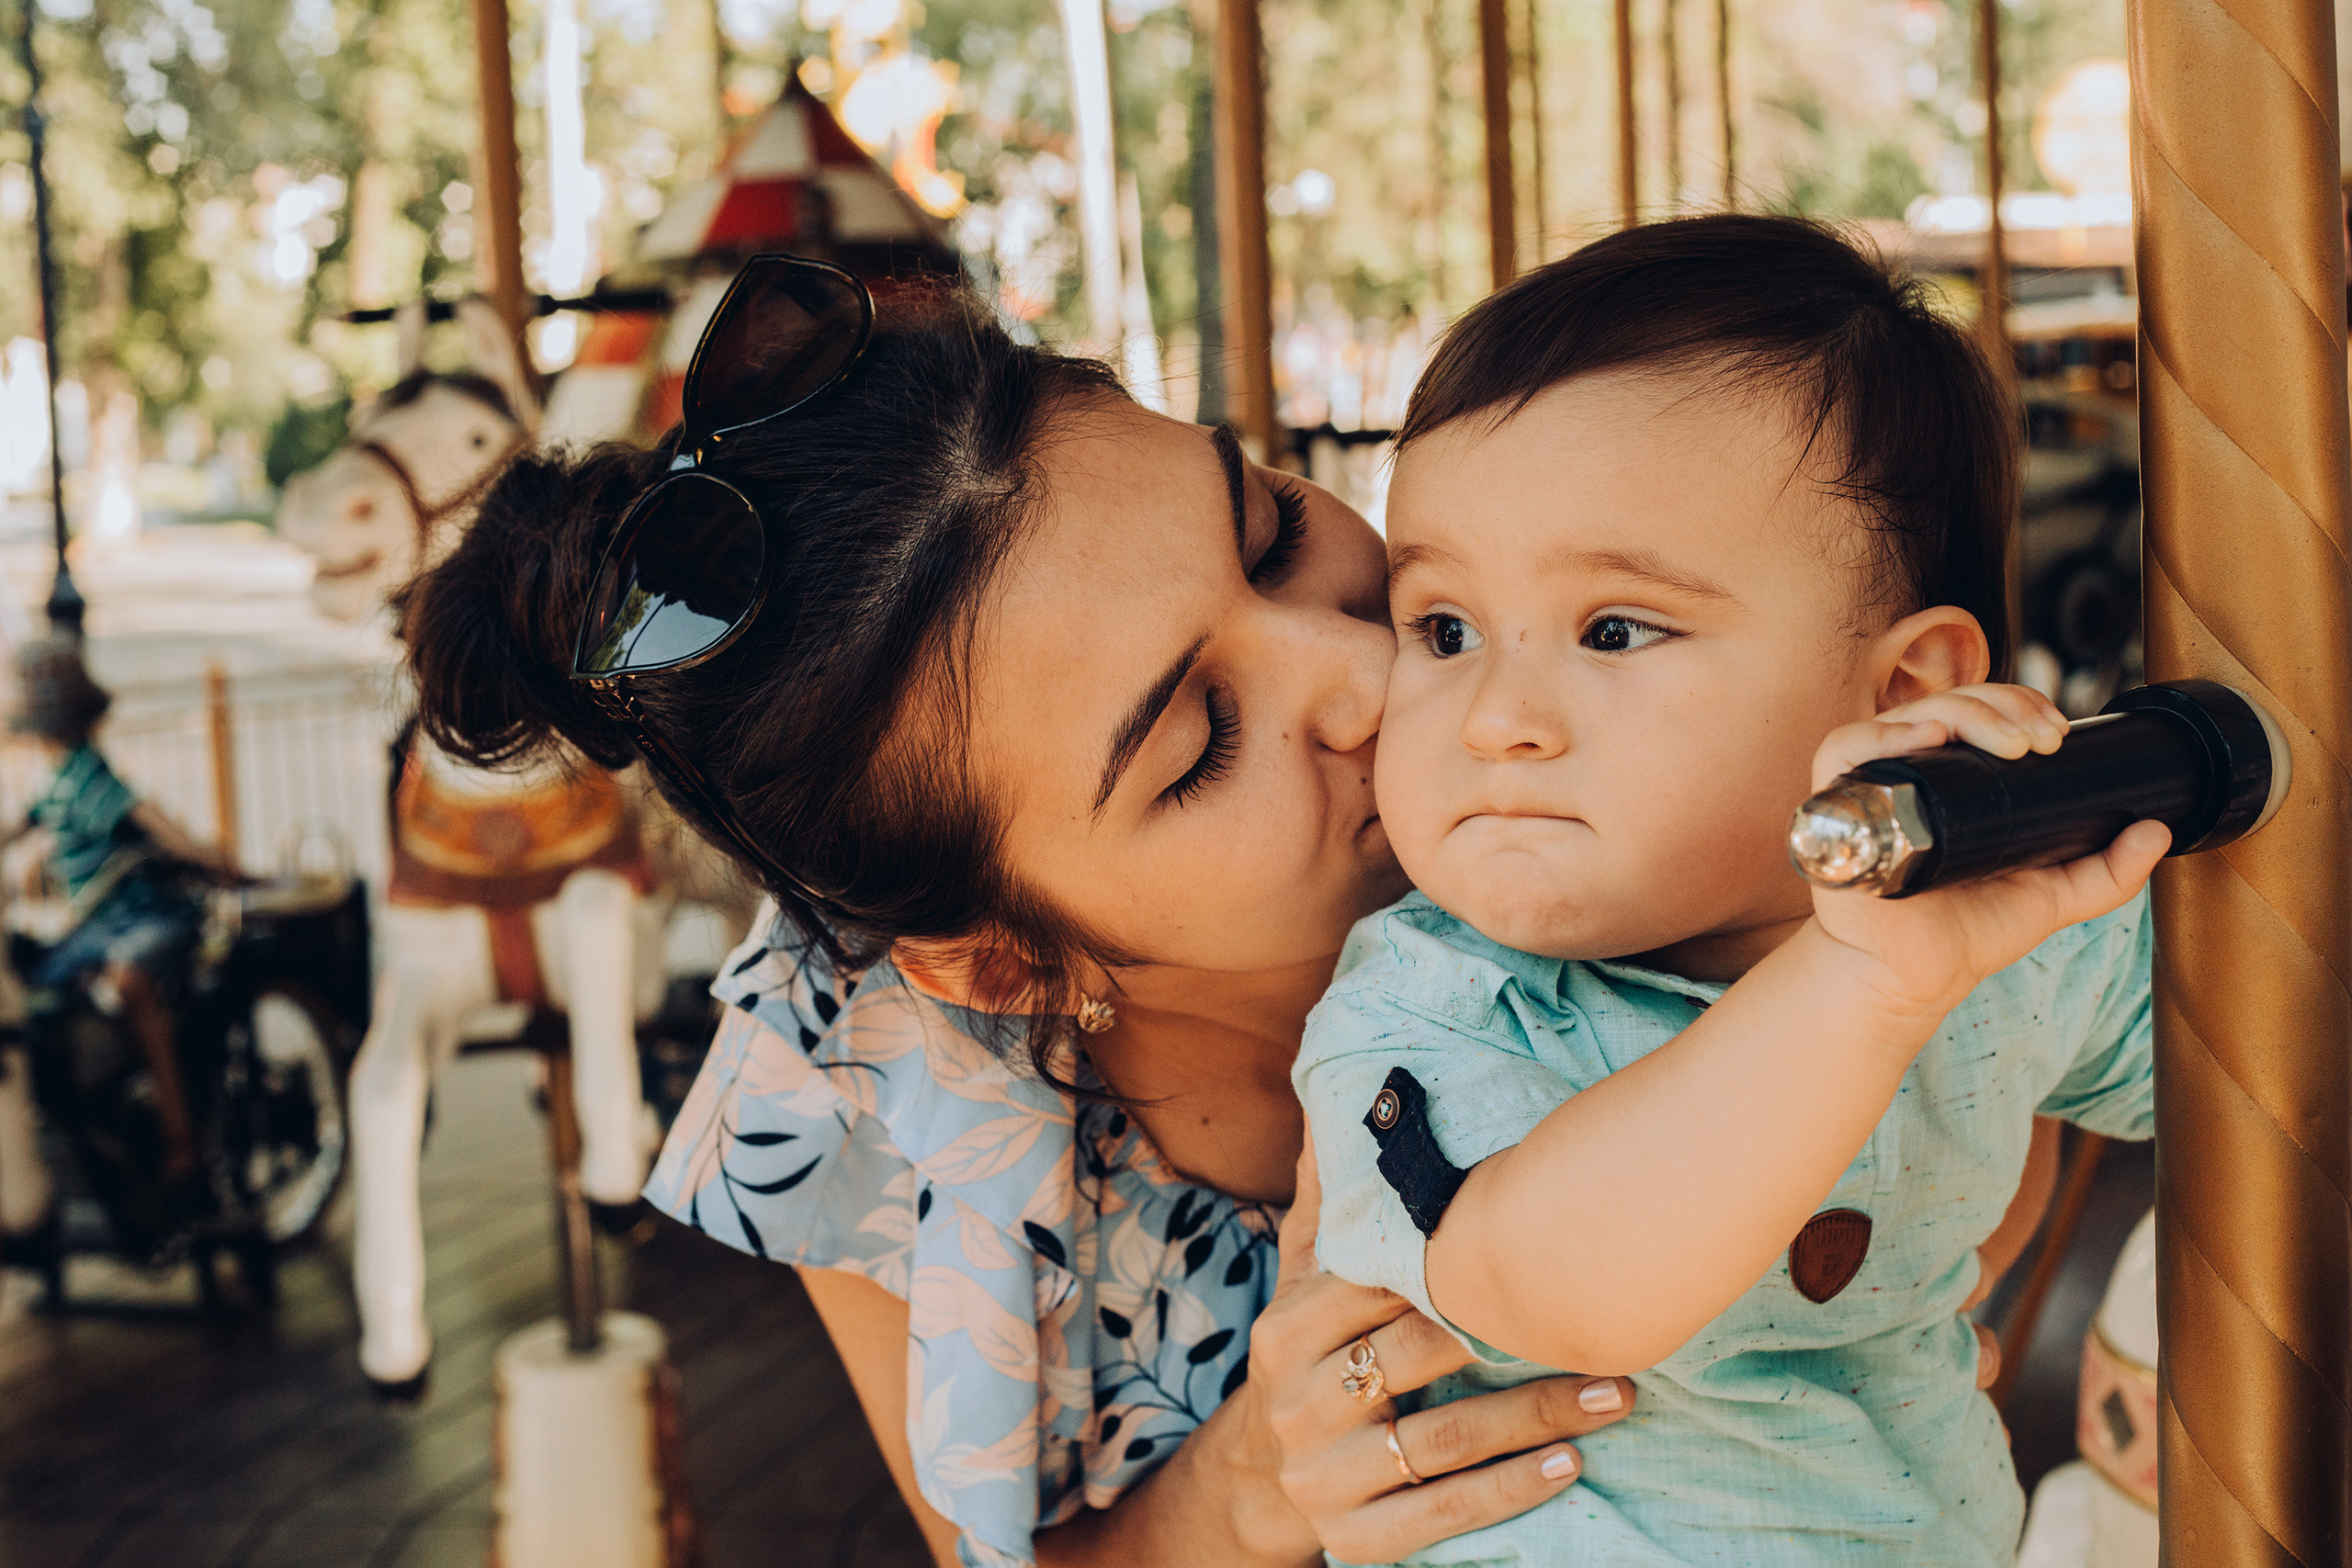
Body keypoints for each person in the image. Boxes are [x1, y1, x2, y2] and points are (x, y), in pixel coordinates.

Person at [400, 259, 2074, 1568]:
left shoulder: (1638, 738)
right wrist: (1257, 1484)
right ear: (1008, 957)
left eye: (1271, 529)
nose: (1379, 675)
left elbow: (2034, 1103)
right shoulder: (855, 1079)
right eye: (1197, 743)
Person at [1292, 214, 2162, 1566]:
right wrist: (1861, 983)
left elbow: (2259, 1058)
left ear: (1903, 692)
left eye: (1615, 629)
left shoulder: (1998, 926)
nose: (1497, 715)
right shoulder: (1433, 998)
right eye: (1444, 629)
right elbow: (1556, 1281)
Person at [4, 638, 233, 1185]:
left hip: (139, 919)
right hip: (93, 927)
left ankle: (181, 1139)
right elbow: (19, 826)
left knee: (131, 983)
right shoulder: (56, 781)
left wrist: (218, 863)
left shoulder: (87, 773)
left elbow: (155, 824)